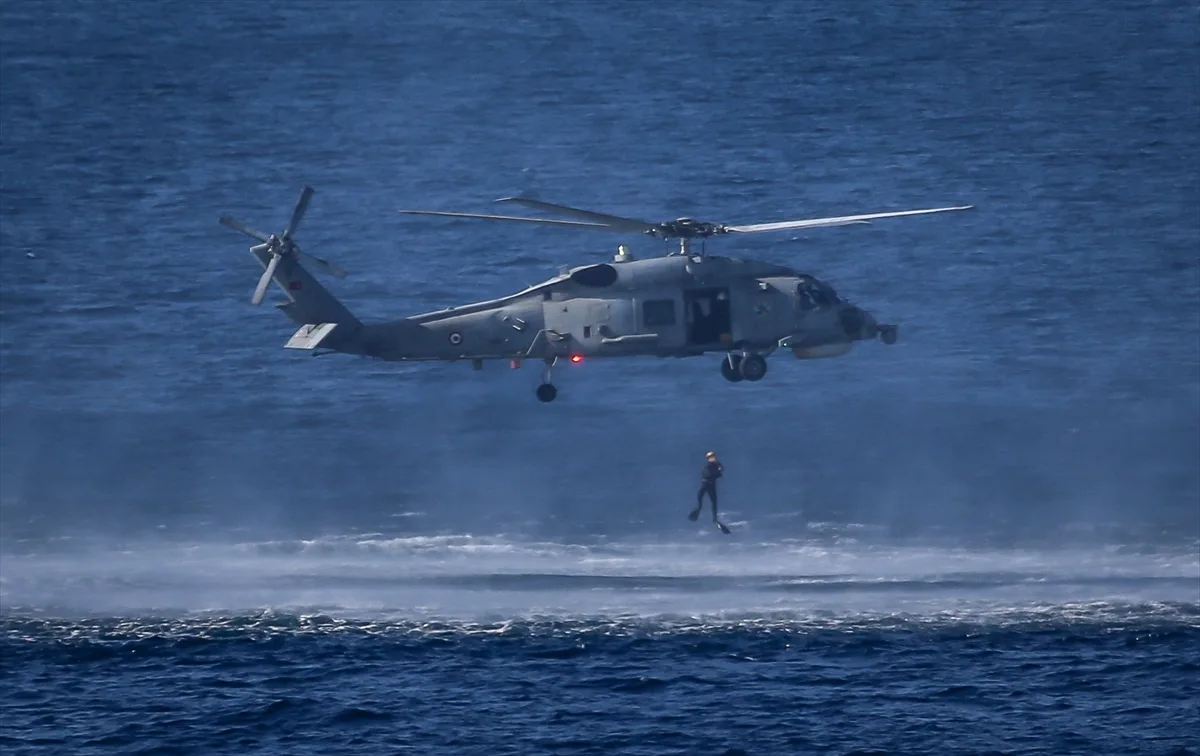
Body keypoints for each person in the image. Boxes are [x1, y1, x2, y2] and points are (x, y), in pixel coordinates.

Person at [689, 451, 724, 524]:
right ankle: (698, 510)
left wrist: (719, 470)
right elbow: (709, 474)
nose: (712, 458)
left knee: (714, 502)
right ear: (708, 459)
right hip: (706, 484)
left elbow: (718, 473)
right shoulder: (708, 466)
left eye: (713, 457)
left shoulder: (716, 465)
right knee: (701, 498)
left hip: (711, 485)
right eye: (710, 457)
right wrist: (718, 471)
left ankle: (715, 518)